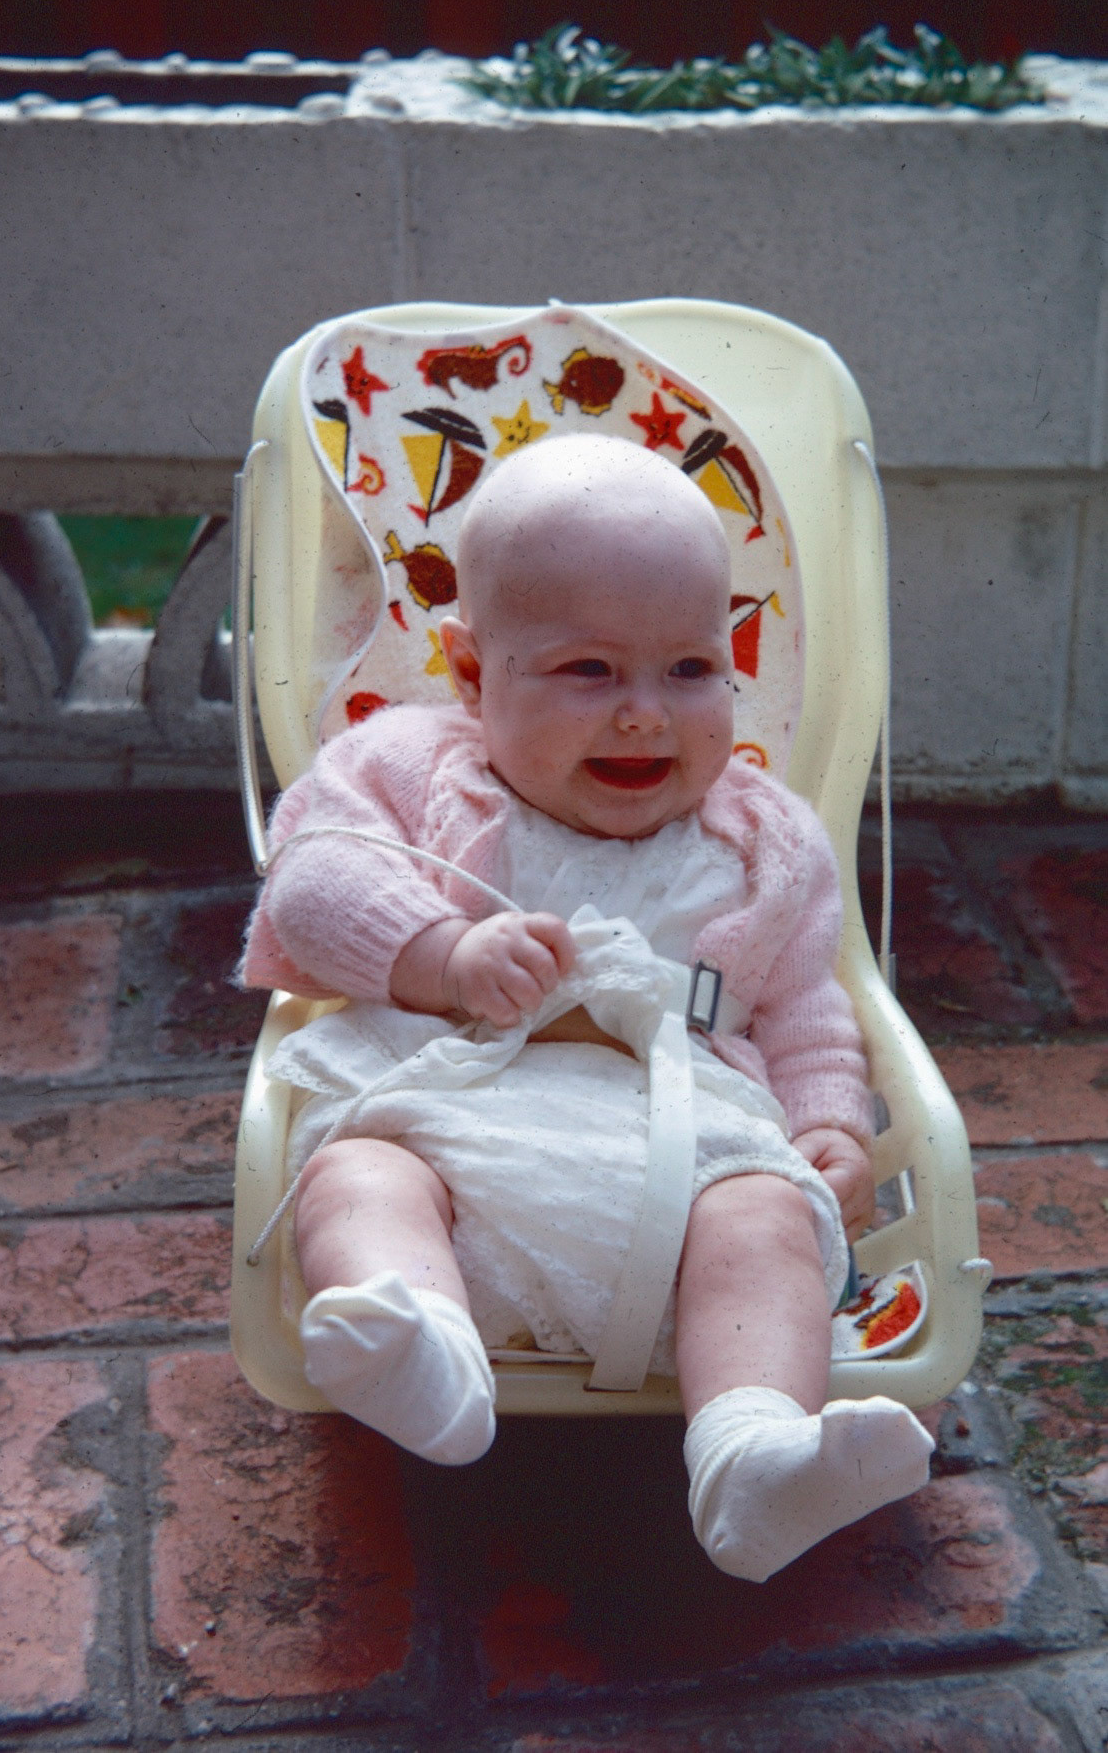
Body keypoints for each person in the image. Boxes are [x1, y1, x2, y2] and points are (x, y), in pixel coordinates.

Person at [241, 435, 933, 1582]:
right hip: (451, 1131)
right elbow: (309, 886)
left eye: (689, 668)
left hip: (682, 1170)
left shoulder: (763, 838)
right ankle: (421, 1351)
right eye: (588, 671)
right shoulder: (409, 770)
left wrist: (826, 1122)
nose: (644, 715)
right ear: (472, 673)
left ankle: (748, 1452)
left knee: (767, 1213)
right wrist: (441, 953)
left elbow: (805, 1000)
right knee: (356, 1175)